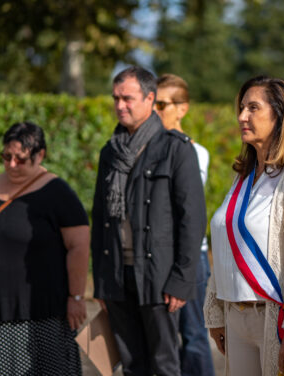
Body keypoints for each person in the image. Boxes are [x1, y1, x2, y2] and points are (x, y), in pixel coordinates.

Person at [204, 76, 284, 376]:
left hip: (276, 320)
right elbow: (224, 248)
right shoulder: (243, 178)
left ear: (280, 115)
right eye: (242, 107)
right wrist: (216, 313)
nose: (241, 116)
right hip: (236, 318)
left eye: (253, 108)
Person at [91, 66, 207, 376]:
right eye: (115, 98)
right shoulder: (110, 153)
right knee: (131, 366)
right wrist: (101, 280)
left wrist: (181, 281)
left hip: (159, 277)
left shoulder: (176, 149)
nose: (120, 105)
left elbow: (192, 220)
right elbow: (100, 218)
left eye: (127, 98)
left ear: (150, 98)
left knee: (166, 365)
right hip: (117, 276)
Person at [0, 121, 89, 375]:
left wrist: (76, 297)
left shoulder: (57, 191)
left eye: (20, 158)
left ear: (40, 155)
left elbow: (79, 247)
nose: (11, 165)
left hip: (39, 313)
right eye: (6, 157)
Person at [155, 73, 216, 376]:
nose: (155, 111)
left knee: (193, 336)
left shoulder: (193, 152)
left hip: (190, 258)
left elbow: (182, 209)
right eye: (152, 103)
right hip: (160, 256)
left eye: (162, 104)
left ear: (183, 108)